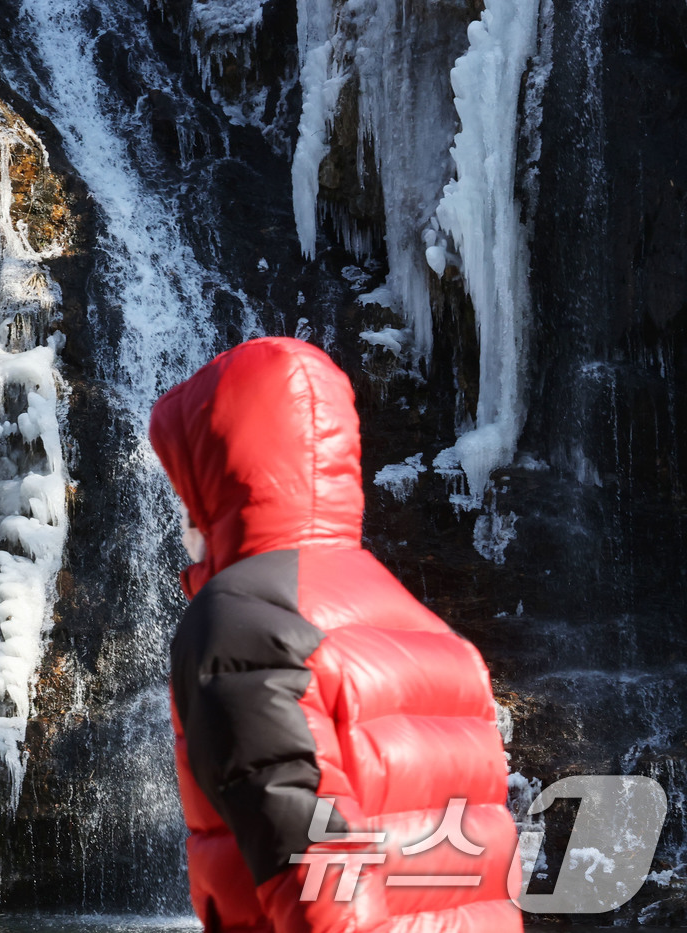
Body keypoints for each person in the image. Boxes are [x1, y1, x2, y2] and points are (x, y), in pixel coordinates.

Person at [148, 337, 523, 933]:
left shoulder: (247, 622)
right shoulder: (435, 636)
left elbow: (320, 881)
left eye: (183, 481)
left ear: (216, 473)